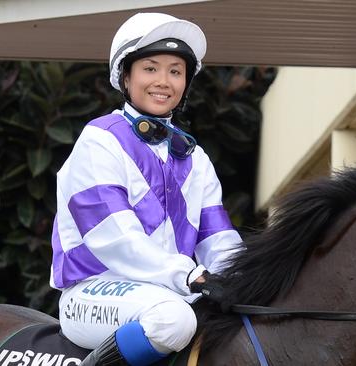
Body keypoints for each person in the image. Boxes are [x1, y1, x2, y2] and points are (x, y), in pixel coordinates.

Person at [49, 12, 242, 366]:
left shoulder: (195, 157)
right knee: (174, 320)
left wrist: (246, 279)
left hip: (167, 290)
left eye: (175, 71)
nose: (163, 81)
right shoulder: (99, 140)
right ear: (126, 77)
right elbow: (116, 238)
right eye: (150, 68)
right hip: (91, 292)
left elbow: (219, 240)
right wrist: (186, 274)